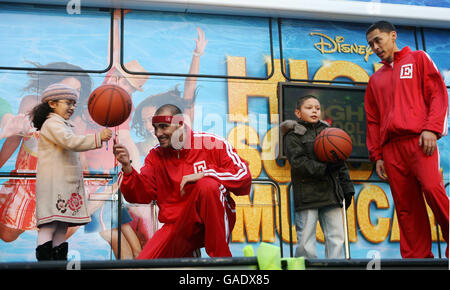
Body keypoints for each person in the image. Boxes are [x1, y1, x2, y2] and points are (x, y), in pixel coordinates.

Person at [113, 104, 252, 258]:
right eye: (155, 128)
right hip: (177, 226)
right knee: (143, 266)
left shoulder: (212, 143)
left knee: (207, 185)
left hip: (209, 224)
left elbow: (244, 177)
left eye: (163, 127)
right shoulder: (155, 156)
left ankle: (221, 259)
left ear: (180, 124)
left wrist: (204, 174)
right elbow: (141, 195)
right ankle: (189, 251)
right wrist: (127, 168)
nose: (158, 133)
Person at [365, 20, 449, 258]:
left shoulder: (419, 59)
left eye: (378, 40)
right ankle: (417, 256)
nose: (375, 47)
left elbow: (438, 95)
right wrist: (377, 155)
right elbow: (373, 121)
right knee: (406, 206)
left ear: (393, 36)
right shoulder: (375, 80)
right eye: (371, 44)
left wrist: (432, 129)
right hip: (391, 150)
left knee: (433, 190)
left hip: (420, 141)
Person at [30, 83, 112, 261]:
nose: (72, 107)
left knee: (60, 226)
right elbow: (70, 142)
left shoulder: (61, 124)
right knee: (49, 226)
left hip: (62, 187)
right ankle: (45, 265)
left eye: (74, 104)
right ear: (52, 103)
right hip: (54, 186)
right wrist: (98, 138)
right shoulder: (52, 123)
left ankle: (58, 262)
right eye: (68, 103)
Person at [280, 95, 354, 259]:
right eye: (309, 107)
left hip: (331, 193)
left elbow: (341, 165)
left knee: (337, 238)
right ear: (298, 113)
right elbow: (299, 163)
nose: (314, 110)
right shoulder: (293, 136)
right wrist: (325, 168)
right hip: (307, 195)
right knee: (306, 241)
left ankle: (335, 269)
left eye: (317, 108)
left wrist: (347, 188)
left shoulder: (331, 133)